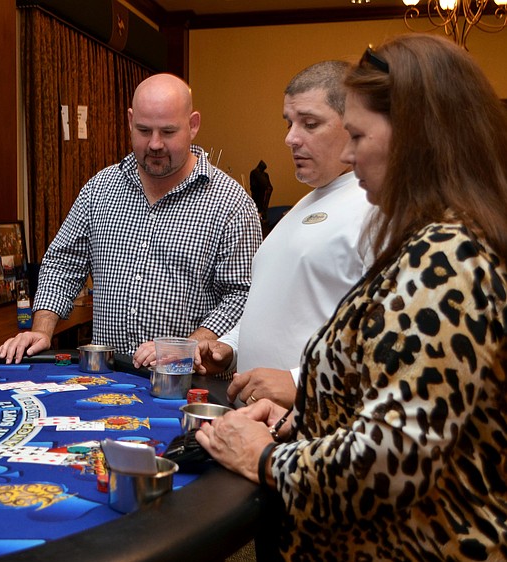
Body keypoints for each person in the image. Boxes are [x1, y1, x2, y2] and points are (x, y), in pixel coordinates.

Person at [196, 34, 507, 560]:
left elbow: (392, 461)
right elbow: (384, 391)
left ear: (416, 137)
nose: (346, 151)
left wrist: (266, 458)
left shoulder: (448, 257)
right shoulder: (428, 239)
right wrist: (302, 417)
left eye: (357, 134)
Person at [0, 73, 262, 365]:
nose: (155, 144)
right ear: (130, 120)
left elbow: (241, 296)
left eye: (168, 132)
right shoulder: (100, 188)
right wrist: (42, 329)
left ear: (193, 125)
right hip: (106, 381)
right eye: (144, 130)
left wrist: (186, 346)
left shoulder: (232, 204)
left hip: (185, 384)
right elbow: (62, 263)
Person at [198, 61, 375, 409]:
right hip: (259, 425)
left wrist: (298, 379)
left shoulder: (376, 206)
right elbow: (277, 305)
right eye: (289, 123)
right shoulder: (303, 205)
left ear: (354, 124)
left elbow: (385, 340)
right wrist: (230, 347)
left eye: (310, 123)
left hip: (317, 423)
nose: (290, 138)